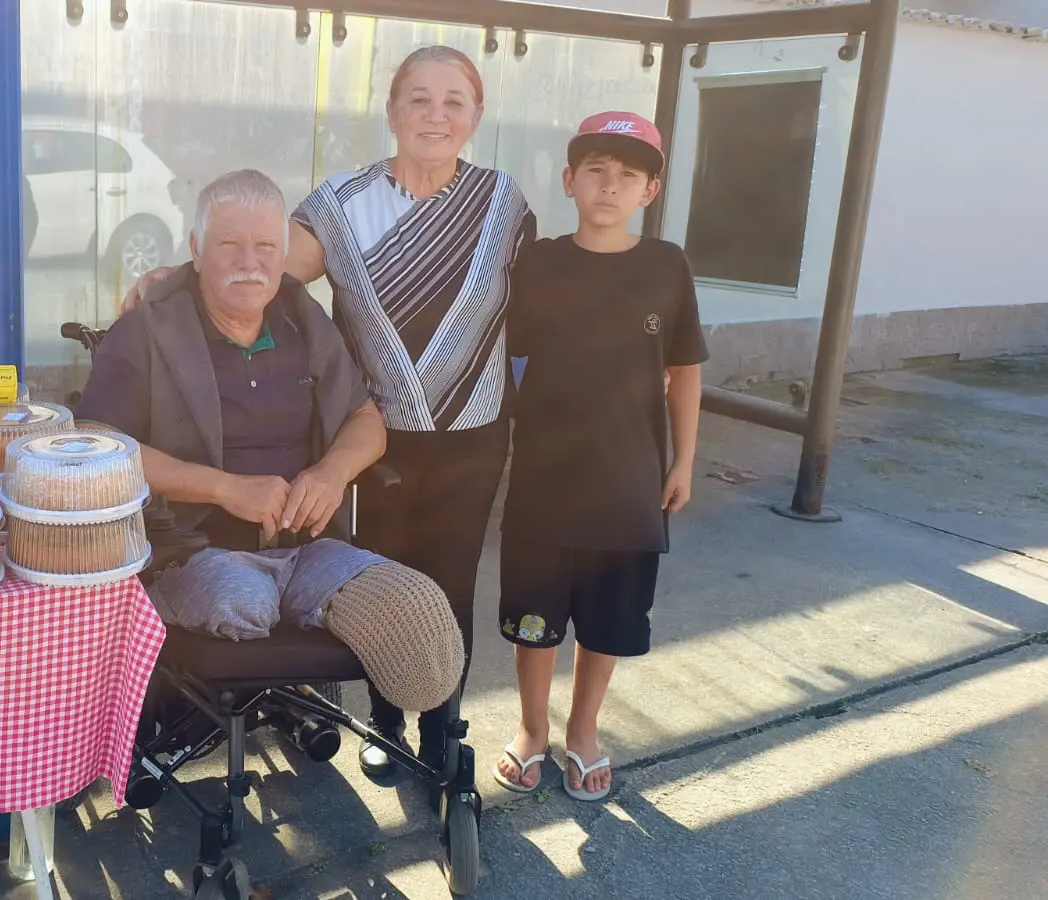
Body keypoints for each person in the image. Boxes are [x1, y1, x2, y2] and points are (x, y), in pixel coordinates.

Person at [121, 46, 536, 777]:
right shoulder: (342, 204)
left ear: (475, 116)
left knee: (452, 582)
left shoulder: (505, 203)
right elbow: (259, 262)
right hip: (374, 435)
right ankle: (384, 725)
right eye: (419, 98)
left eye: (454, 101)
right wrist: (175, 272)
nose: (435, 115)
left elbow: (539, 308)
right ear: (392, 110)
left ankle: (443, 730)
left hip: (472, 430)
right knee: (372, 584)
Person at [76, 169, 467, 717]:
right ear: (195, 248)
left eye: (265, 246)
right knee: (242, 599)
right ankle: (265, 688)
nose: (248, 262)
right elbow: (96, 443)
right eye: (228, 244)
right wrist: (223, 489)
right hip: (191, 548)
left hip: (307, 546)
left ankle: (303, 669)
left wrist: (331, 474)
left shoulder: (302, 320)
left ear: (284, 253)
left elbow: (366, 419)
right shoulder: (149, 328)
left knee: (417, 618)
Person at [493, 112, 708, 801]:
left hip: (629, 486)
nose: (610, 187)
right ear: (569, 181)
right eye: (596, 172)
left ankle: (583, 730)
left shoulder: (666, 266)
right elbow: (504, 352)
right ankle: (532, 729)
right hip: (542, 484)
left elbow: (685, 368)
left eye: (628, 176)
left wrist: (682, 462)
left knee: (609, 620)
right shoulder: (542, 262)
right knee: (535, 618)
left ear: (649, 190)